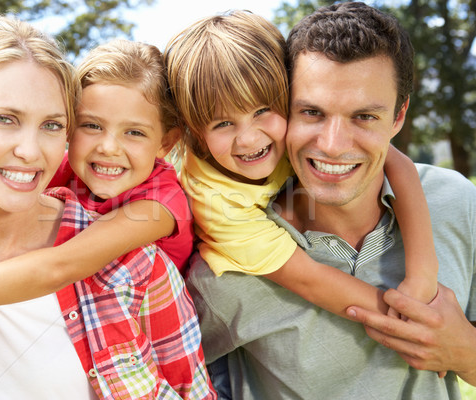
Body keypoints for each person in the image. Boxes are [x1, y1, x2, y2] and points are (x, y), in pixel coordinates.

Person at [0, 18, 214, 399]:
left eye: (51, 125)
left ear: (165, 142)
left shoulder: (138, 256)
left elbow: (58, 267)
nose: (30, 151)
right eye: (4, 119)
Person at [185, 3, 476, 399]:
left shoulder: (458, 203)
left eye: (364, 117)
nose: (333, 145)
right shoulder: (226, 269)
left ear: (399, 115)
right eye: (312, 112)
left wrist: (465, 351)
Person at [164, 10, 437, 322]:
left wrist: (422, 273)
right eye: (223, 123)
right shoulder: (215, 203)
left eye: (262, 110)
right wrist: (418, 322)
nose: (250, 139)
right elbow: (311, 280)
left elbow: (395, 159)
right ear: (194, 130)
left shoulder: (291, 132)